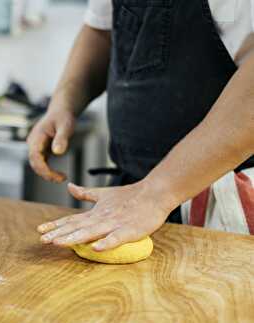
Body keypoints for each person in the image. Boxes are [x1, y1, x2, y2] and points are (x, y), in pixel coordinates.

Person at [27, 0, 254, 251]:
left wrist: (156, 194)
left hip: (226, 202)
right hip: (133, 197)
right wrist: (64, 103)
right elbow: (101, 30)